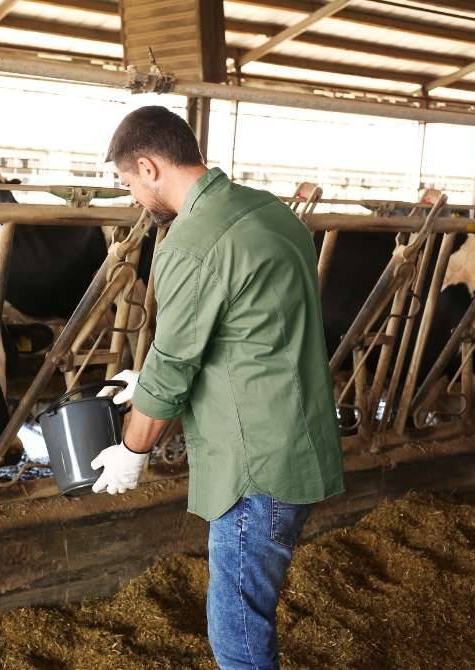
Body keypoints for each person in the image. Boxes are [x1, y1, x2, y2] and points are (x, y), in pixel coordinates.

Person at [91, 105, 344, 670]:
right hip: (299, 444)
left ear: (150, 166)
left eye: (128, 183)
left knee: (236, 625)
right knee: (248, 607)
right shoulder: (270, 212)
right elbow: (253, 329)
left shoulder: (190, 242)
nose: (132, 198)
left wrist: (133, 451)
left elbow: (175, 362)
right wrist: (152, 377)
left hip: (254, 465)